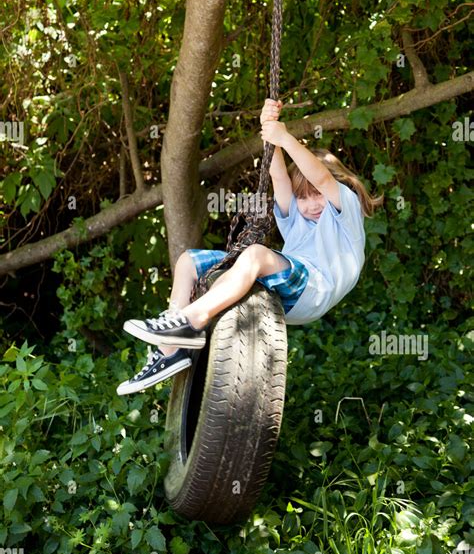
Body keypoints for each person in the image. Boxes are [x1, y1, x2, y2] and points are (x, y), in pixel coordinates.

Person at [116, 98, 384, 395]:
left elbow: (320, 176)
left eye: (316, 194)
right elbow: (278, 176)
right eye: (303, 197)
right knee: (189, 262)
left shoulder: (343, 208)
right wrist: (269, 131)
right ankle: (170, 350)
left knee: (255, 255)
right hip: (289, 284)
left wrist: (285, 137)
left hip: (314, 289)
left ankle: (192, 320)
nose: (311, 204)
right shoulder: (298, 215)